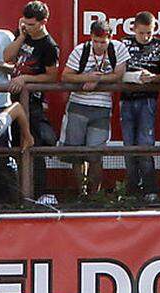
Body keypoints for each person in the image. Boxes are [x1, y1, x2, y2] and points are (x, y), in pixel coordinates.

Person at [59, 20, 128, 195]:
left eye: (103, 42)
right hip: (77, 106)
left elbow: (119, 75)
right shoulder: (81, 50)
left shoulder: (118, 49)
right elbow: (66, 76)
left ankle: (93, 196)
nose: (98, 46)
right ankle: (80, 193)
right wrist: (85, 77)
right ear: (91, 37)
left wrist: (97, 79)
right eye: (95, 41)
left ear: (110, 38)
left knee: (95, 155)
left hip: (102, 108)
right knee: (75, 155)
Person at [3, 1, 59, 199]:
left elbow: (52, 77)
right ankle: (18, 193)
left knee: (32, 147)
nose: (28, 26)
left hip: (32, 104)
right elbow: (7, 56)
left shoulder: (49, 46)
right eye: (25, 22)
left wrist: (25, 78)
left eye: (32, 24)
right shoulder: (23, 34)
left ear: (44, 22)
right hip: (11, 101)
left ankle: (38, 193)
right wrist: (22, 35)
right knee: (15, 148)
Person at [119, 11, 160, 198]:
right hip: (126, 99)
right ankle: (131, 190)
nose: (146, 37)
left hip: (148, 99)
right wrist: (132, 77)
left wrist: (152, 78)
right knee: (128, 145)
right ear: (133, 28)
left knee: (145, 144)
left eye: (149, 32)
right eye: (142, 33)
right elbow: (118, 71)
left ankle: (150, 189)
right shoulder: (123, 44)